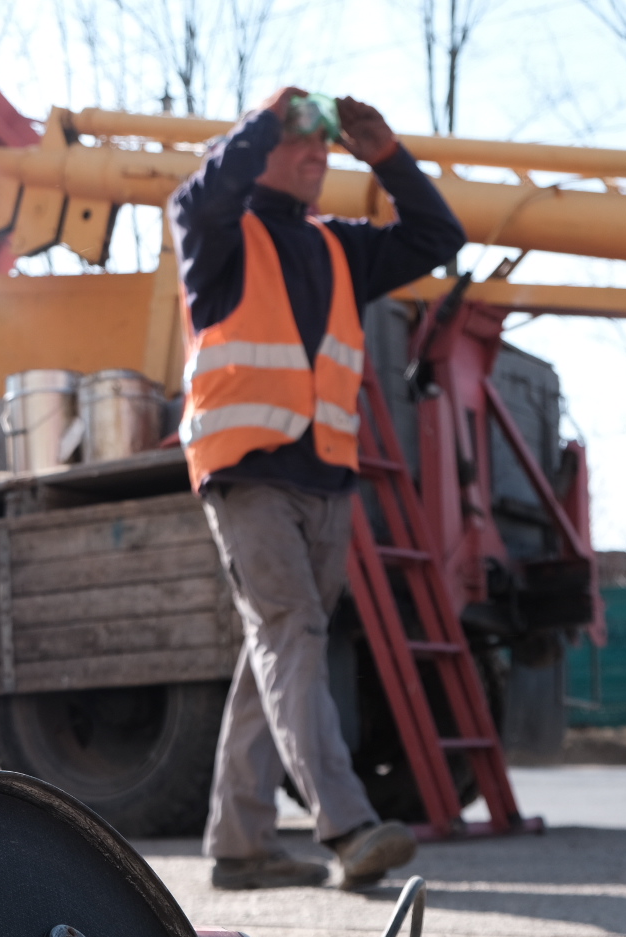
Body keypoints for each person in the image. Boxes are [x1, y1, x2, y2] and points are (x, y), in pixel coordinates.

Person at [170, 89, 467, 890]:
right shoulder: (218, 235)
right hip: (248, 470)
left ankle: (239, 846)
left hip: (328, 478)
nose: (316, 157)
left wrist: (388, 157)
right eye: (299, 144)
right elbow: (199, 192)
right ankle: (348, 825)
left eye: (323, 149)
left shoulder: (340, 248)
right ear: (260, 147)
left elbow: (441, 236)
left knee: (275, 649)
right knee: (292, 632)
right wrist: (268, 116)